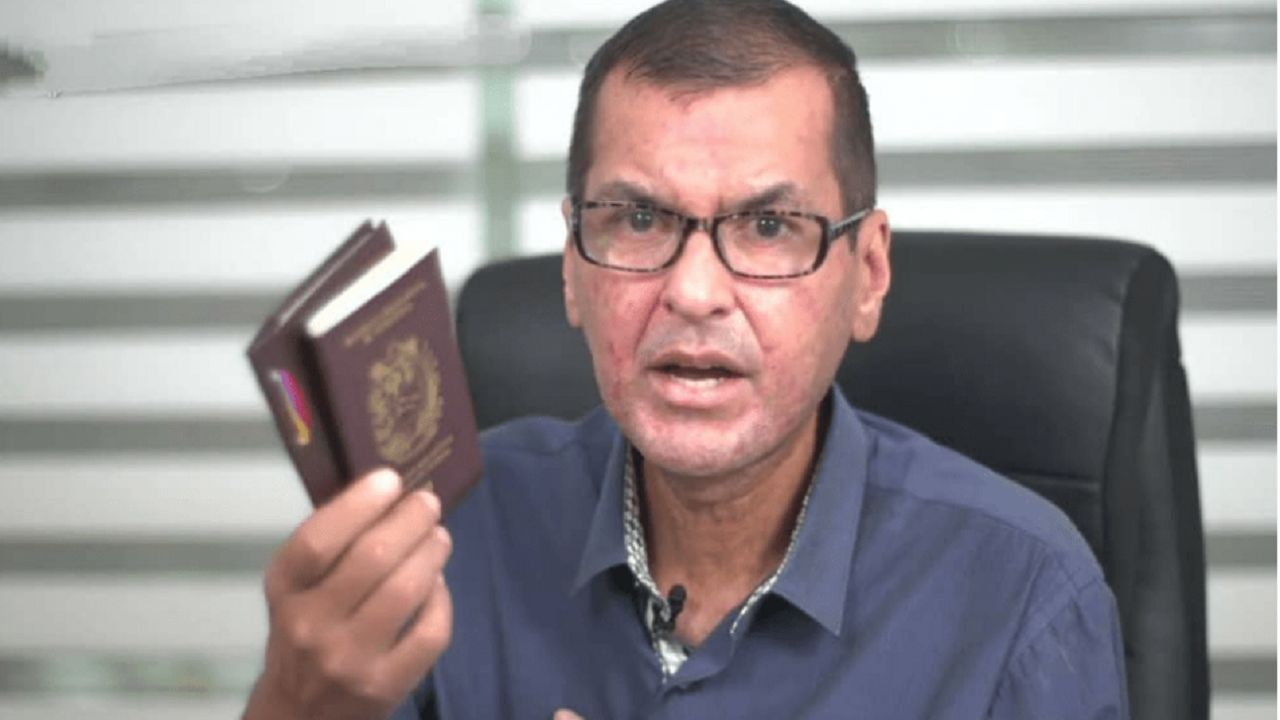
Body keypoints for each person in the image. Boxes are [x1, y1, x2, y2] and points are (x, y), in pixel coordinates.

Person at [242, 1, 1130, 718]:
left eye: (770, 226)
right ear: (571, 269)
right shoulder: (452, 531)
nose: (695, 291)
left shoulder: (1024, 595)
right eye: (638, 219)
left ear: (867, 274)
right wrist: (293, 703)